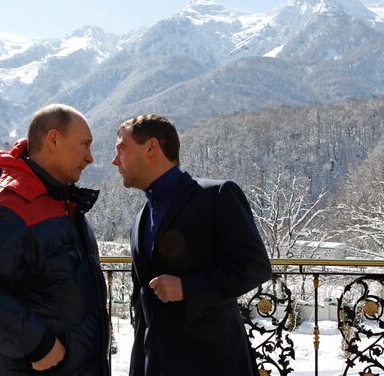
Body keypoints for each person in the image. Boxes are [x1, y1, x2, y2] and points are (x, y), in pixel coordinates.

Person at [0, 104, 110, 375]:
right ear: (53, 139)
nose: (90, 157)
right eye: (84, 145)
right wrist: (36, 344)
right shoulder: (10, 205)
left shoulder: (59, 200)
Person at [111, 114, 272, 376]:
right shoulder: (139, 220)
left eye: (121, 149)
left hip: (214, 363)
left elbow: (255, 267)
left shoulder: (217, 196)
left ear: (152, 147)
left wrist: (188, 288)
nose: (115, 160)